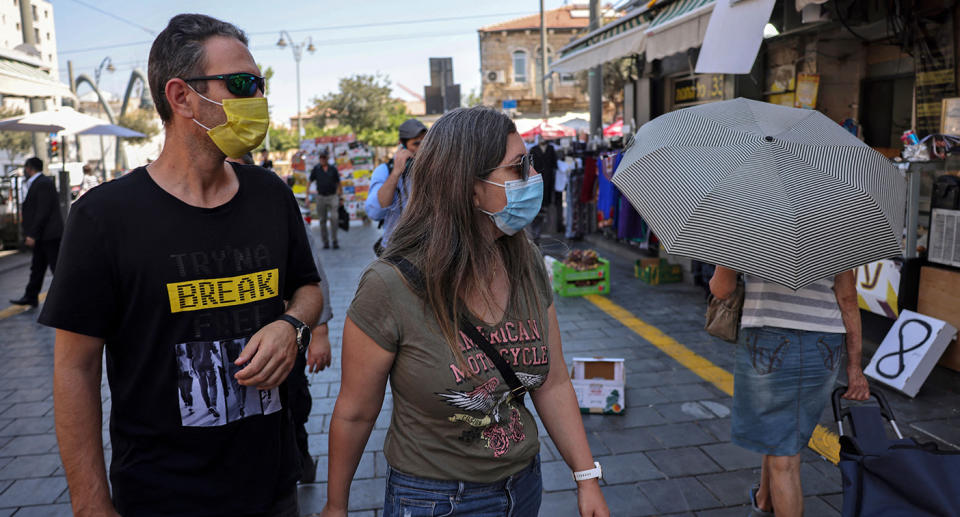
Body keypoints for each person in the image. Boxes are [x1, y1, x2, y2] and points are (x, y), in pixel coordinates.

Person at [40, 14, 324, 516]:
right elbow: (74, 368)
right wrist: (89, 503)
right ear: (181, 96)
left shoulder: (270, 195)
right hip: (163, 496)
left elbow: (307, 287)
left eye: (260, 84)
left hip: (272, 488)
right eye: (241, 84)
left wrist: (292, 324)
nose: (257, 98)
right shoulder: (105, 217)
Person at [323, 107, 609, 517]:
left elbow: (554, 381)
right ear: (469, 187)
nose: (533, 178)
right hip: (434, 500)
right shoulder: (389, 285)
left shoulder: (524, 258)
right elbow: (355, 413)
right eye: (518, 167)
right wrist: (336, 505)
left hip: (524, 485)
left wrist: (586, 478)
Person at [709, 268, 870, 517]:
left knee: (784, 458)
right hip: (824, 344)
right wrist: (855, 366)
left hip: (767, 338)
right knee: (782, 431)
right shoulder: (834, 232)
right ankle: (764, 501)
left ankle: (770, 501)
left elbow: (722, 289)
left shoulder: (748, 230)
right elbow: (848, 299)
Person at [365, 118, 426, 253]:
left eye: (425, 143)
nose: (422, 149)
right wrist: (396, 173)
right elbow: (374, 212)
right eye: (416, 144)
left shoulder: (430, 170)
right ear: (402, 145)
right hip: (395, 249)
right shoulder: (384, 171)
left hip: (425, 248)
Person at [9, 157, 63, 307]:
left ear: (29, 168)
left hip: (48, 235)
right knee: (38, 267)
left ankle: (67, 296)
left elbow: (42, 211)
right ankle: (31, 296)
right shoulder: (40, 183)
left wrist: (32, 234)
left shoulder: (43, 183)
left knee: (56, 267)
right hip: (43, 235)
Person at [309, 151, 342, 249]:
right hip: (321, 197)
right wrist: (307, 196)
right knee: (322, 220)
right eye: (321, 158)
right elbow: (309, 181)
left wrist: (341, 196)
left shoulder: (333, 169)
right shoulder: (316, 169)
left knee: (334, 218)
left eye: (324, 158)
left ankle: (334, 240)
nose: (322, 160)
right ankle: (325, 242)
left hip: (332, 196)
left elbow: (338, 183)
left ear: (327, 158)